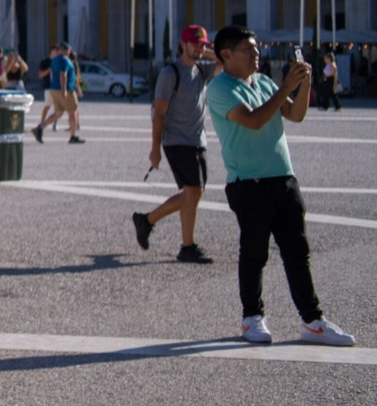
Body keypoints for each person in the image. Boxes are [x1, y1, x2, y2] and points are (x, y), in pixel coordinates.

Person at [206, 26, 353, 347]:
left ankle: (312, 320)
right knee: (254, 254)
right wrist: (285, 85)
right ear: (226, 54)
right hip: (249, 182)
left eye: (256, 48)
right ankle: (252, 317)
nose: (257, 54)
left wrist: (302, 85)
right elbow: (255, 119)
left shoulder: (263, 82)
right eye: (249, 49)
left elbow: (295, 115)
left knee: (297, 252)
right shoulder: (219, 88)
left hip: (283, 178)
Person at [134, 26, 218, 265]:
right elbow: (159, 113)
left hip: (198, 139)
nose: (200, 48)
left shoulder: (203, 69)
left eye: (203, 44)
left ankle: (147, 221)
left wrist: (206, 52)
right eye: (196, 44)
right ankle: (187, 246)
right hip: (177, 141)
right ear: (183, 44)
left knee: (196, 192)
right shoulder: (171, 73)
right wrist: (155, 148)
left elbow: (227, 62)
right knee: (193, 191)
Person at [32, 42, 83, 144]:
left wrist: (54, 86)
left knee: (58, 113)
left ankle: (40, 128)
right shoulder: (64, 60)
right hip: (65, 90)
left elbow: (52, 75)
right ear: (64, 50)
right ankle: (73, 136)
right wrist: (64, 90)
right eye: (68, 50)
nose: (69, 52)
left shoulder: (54, 60)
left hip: (54, 88)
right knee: (72, 111)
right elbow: (63, 75)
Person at [319, 46, 342, 112]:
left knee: (332, 94)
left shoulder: (332, 64)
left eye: (326, 58)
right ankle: (326, 106)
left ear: (329, 58)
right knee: (327, 93)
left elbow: (335, 73)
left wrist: (335, 82)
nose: (324, 59)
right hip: (328, 79)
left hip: (331, 80)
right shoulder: (328, 64)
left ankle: (336, 106)